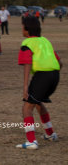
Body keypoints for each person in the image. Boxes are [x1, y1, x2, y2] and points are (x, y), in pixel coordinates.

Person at [16, 16, 61, 150]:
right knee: (38, 102)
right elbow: (59, 61)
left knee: (27, 108)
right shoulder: (45, 41)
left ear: (27, 29)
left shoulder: (27, 43)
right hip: (55, 75)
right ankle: (50, 134)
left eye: (22, 26)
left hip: (43, 76)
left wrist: (25, 86)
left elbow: (27, 63)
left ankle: (31, 142)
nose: (22, 29)